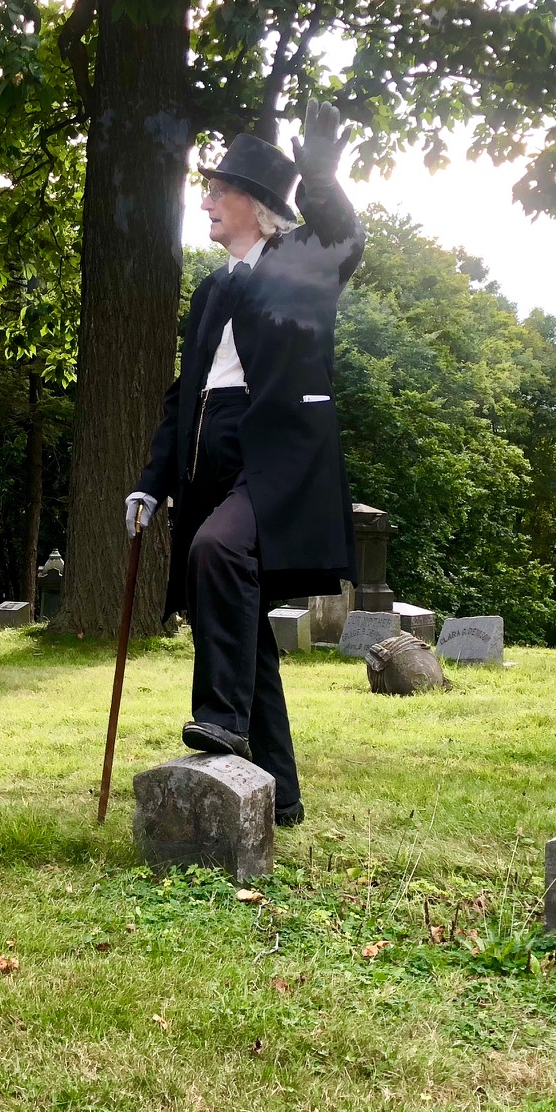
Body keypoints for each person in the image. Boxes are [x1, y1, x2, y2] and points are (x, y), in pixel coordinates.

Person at [125, 103, 364, 828]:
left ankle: (220, 717)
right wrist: (151, 481)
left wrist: (321, 176)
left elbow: (347, 238)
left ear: (256, 206)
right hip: (209, 452)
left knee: (217, 549)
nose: (204, 203)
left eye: (217, 192)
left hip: (279, 456)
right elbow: (181, 397)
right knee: (240, 623)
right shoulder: (211, 289)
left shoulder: (303, 263)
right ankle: (280, 792)